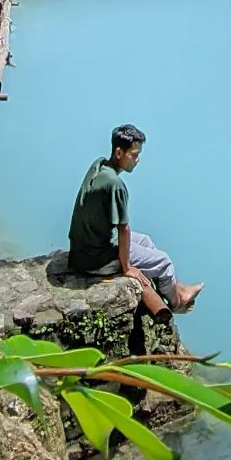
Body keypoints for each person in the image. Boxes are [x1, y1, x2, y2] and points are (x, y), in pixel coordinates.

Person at [67, 124, 202, 316]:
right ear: (119, 153)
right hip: (95, 259)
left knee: (146, 240)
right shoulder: (115, 185)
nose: (137, 160)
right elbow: (124, 230)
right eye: (134, 155)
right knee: (164, 261)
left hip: (84, 248)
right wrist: (127, 267)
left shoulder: (99, 166)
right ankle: (177, 302)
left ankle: (176, 287)